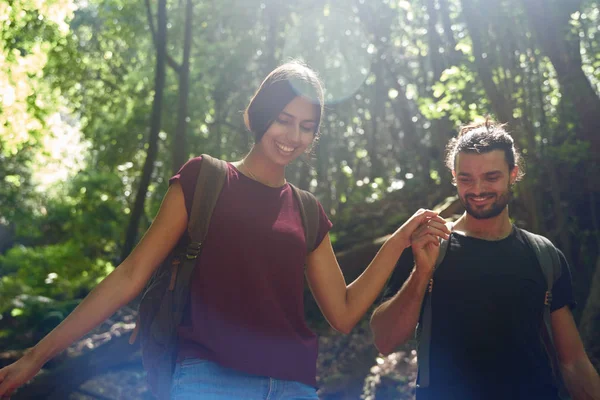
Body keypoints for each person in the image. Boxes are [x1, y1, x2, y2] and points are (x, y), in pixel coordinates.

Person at [0, 61, 449, 399]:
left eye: (307, 127)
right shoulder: (205, 179)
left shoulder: (308, 211)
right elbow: (131, 274)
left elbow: (345, 312)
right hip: (207, 380)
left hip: (292, 385)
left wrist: (398, 241)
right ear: (260, 115)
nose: (293, 136)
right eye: (284, 120)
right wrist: (35, 356)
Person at [370, 119, 600, 400]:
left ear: (513, 173)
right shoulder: (428, 245)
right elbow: (384, 339)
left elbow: (573, 362)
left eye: (491, 177)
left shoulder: (544, 255)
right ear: (454, 176)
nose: (477, 190)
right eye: (466, 178)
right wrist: (421, 274)